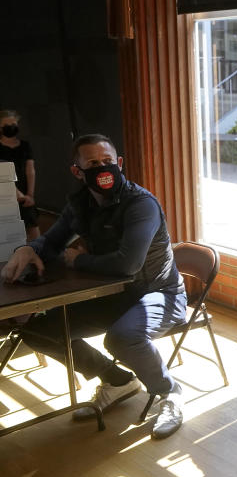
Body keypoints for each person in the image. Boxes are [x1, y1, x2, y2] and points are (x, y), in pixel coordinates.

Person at [0, 134, 188, 439]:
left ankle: (171, 392)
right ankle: (117, 380)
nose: (102, 168)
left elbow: (129, 264)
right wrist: (28, 249)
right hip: (115, 295)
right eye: (92, 164)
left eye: (108, 162)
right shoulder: (81, 205)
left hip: (159, 293)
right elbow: (52, 240)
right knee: (39, 330)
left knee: (122, 338)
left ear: (119, 164)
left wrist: (78, 262)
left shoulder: (141, 204)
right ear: (77, 171)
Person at [0, 110, 40, 240]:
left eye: (14, 123)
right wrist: (18, 194)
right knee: (10, 228)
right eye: (7, 125)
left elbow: (30, 170)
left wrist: (30, 194)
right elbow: (2, 173)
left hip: (24, 189)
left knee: (32, 223)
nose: (11, 127)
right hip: (5, 191)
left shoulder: (25, 145)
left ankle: (37, 255)